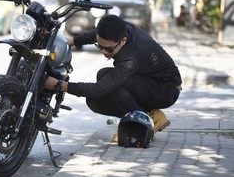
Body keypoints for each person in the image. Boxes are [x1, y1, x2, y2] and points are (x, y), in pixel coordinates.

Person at [45, 15, 182, 141]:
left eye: (109, 49)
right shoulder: (121, 29)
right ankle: (151, 114)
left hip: (166, 90)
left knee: (105, 80)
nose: (104, 52)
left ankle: (141, 122)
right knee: (95, 99)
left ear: (123, 41)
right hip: (149, 81)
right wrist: (70, 42)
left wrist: (59, 85)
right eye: (100, 46)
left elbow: (99, 89)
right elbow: (96, 34)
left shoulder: (130, 59)